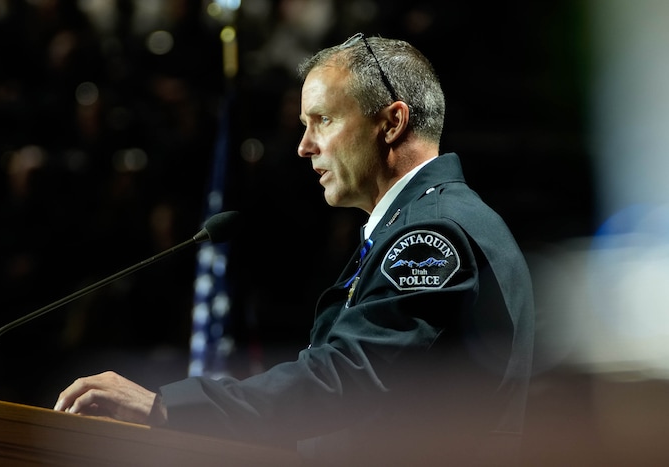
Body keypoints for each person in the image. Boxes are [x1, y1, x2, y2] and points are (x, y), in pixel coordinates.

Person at [54, 33, 535, 466]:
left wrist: (164, 407)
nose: (304, 146)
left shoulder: (432, 235)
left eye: (322, 120)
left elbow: (343, 380)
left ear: (392, 122)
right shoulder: (422, 222)